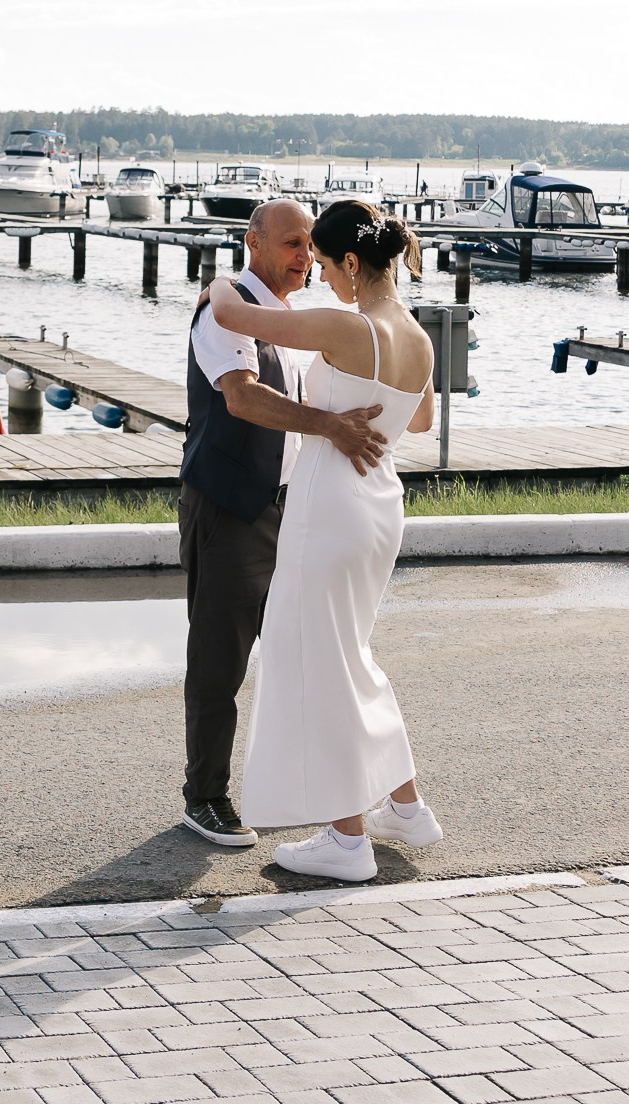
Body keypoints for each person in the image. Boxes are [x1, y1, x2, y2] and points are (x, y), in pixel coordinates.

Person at [207, 200, 439, 882]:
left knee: (313, 656)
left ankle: (345, 838)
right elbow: (420, 420)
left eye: (325, 262)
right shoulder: (418, 338)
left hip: (330, 503)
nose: (321, 274)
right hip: (379, 506)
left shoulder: (347, 326)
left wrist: (222, 279)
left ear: (349, 262)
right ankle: (404, 804)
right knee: (349, 655)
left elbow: (233, 315)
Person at [178, 199, 388, 849]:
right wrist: (332, 427)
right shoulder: (224, 308)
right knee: (220, 659)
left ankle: (331, 800)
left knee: (307, 655)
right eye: (293, 243)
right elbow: (241, 396)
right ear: (255, 245)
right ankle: (205, 796)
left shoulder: (288, 317)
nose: (305, 255)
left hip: (290, 511)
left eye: (310, 246)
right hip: (228, 506)